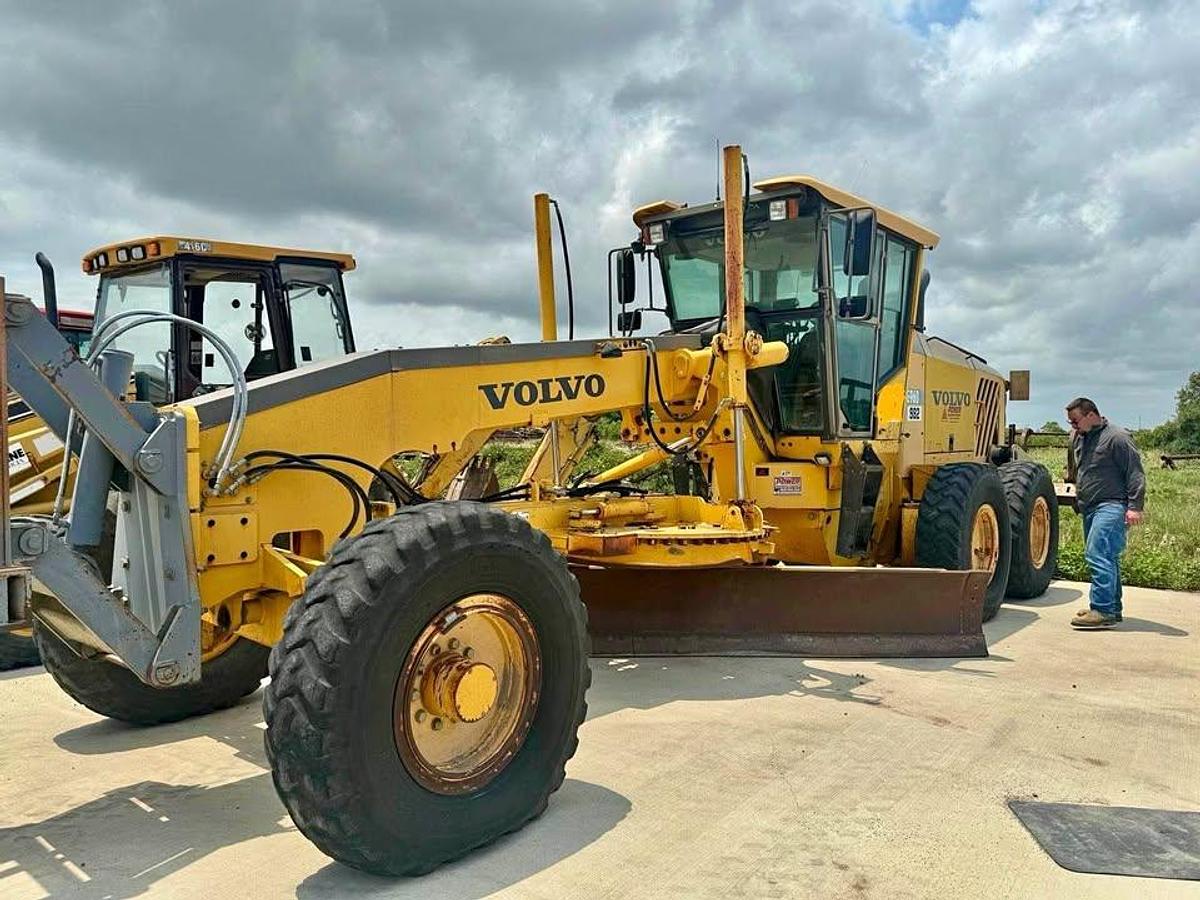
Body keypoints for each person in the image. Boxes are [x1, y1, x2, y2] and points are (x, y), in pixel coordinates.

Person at [1064, 397, 1146, 629]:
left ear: (1091, 415)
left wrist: (1135, 507)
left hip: (1112, 505)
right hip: (1090, 506)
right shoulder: (1081, 438)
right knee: (1108, 555)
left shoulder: (1118, 438)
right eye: (1070, 422)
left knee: (1097, 553)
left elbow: (1135, 473)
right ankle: (1111, 607)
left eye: (1076, 421)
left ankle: (1102, 609)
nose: (1073, 426)